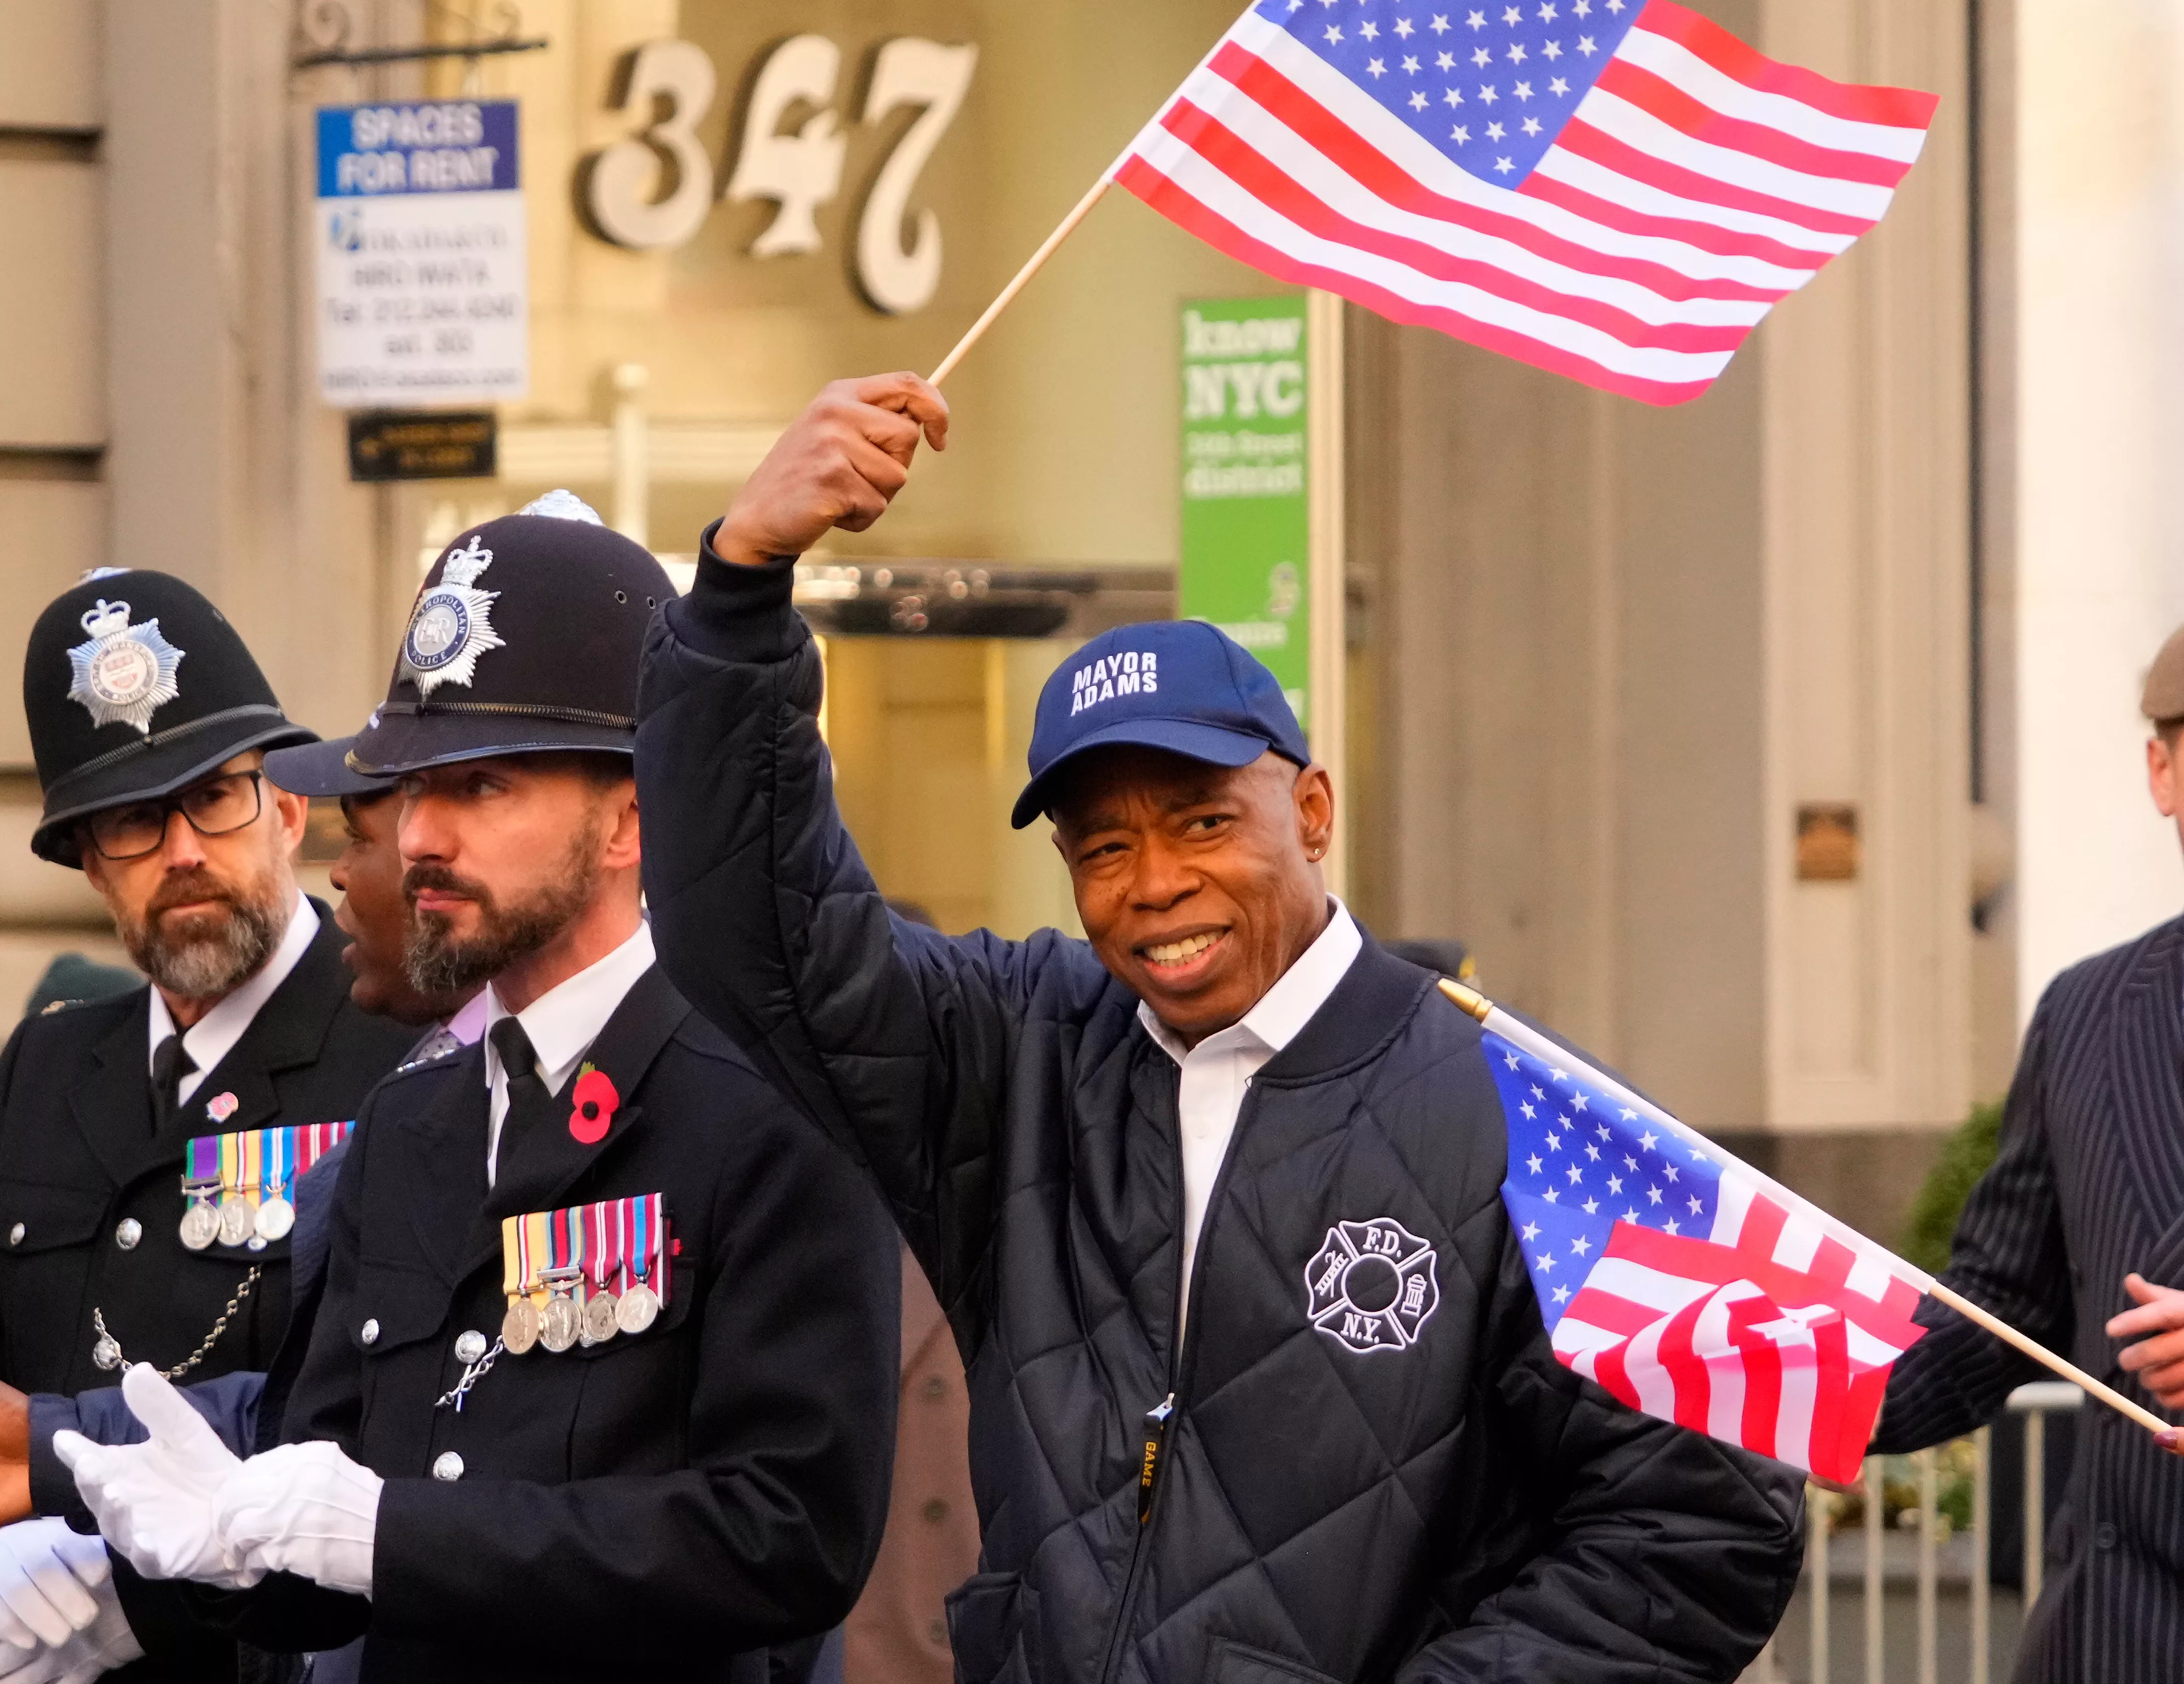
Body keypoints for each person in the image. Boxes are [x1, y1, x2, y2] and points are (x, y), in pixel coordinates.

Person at [632, 375, 1805, 1684]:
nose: (1152, 883)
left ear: (1309, 810)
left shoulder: (1531, 1114)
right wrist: (739, 584)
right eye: (1104, 845)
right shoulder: (1022, 1053)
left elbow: (1702, 1524)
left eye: (1202, 822)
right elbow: (762, 932)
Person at [60, 497, 900, 1684]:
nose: (420, 838)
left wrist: (391, 1535)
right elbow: (334, 1525)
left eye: (484, 786)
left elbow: (789, 1535)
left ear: (631, 818)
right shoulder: (414, 1120)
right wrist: (214, 1555)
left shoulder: (761, 1106)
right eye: (413, 788)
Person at [0, 572, 418, 1683]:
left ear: (287, 809)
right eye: (135, 820)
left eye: (215, 798)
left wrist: (133, 1589)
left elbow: (397, 1425)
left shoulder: (405, 1054)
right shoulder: (44, 1065)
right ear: (91, 864)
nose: (182, 848)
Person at [1872, 622, 2184, 1682]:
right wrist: (1784, 1376)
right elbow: (1996, 1309)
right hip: (2115, 1638)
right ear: (2160, 770)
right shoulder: (2087, 1014)